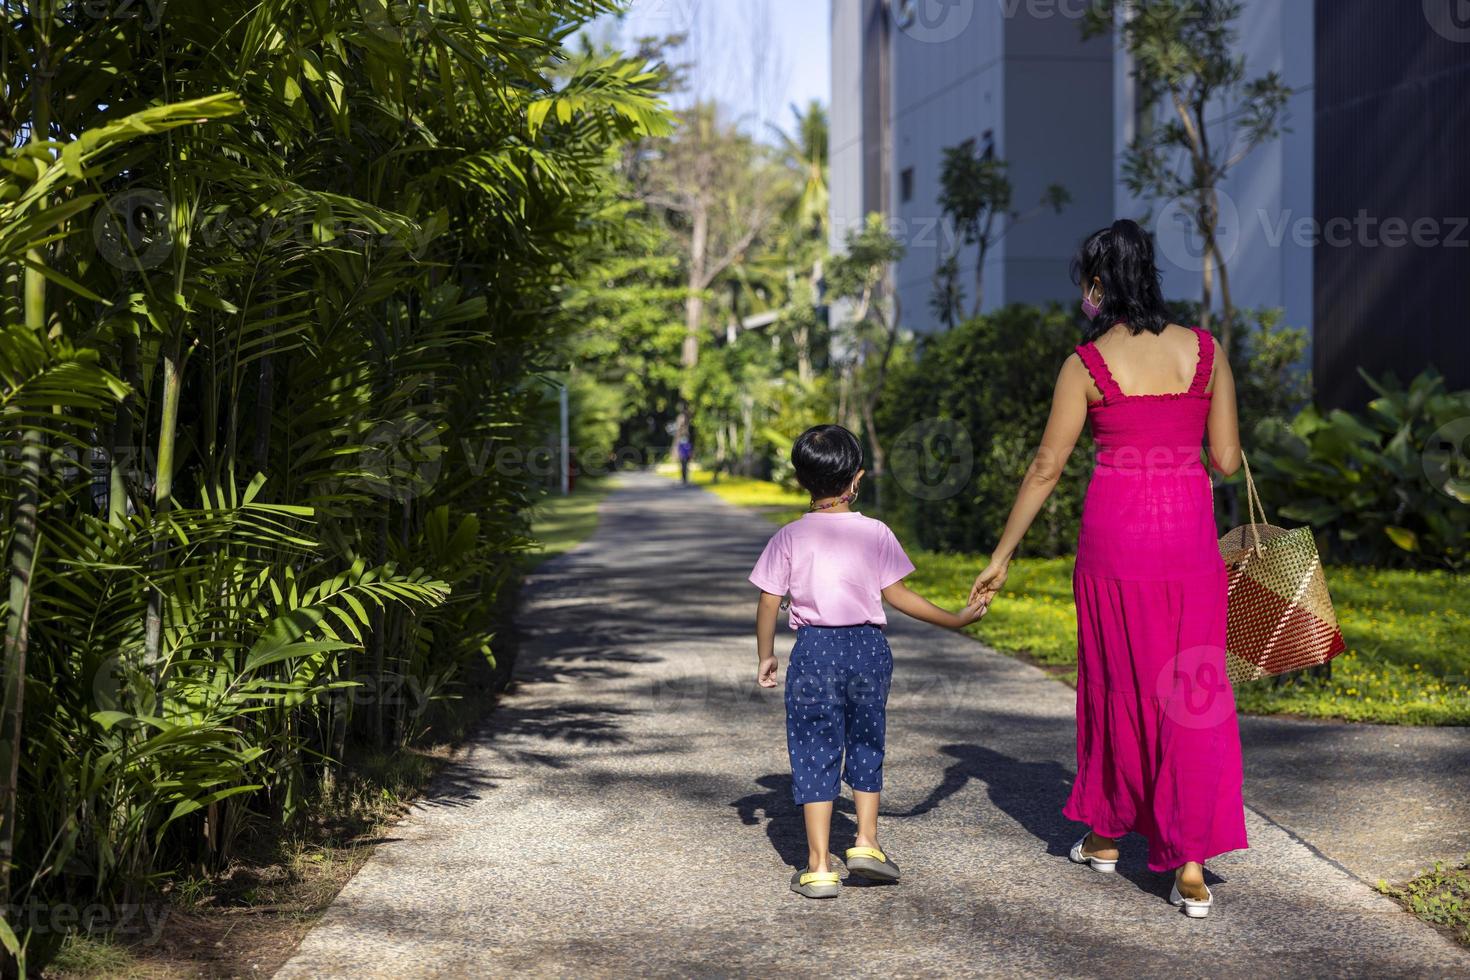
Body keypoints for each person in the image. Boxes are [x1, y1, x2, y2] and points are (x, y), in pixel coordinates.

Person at [969, 219, 1246, 918]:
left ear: (1098, 284)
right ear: (1149, 273)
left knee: (1119, 684)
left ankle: (1105, 837)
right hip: (1188, 544)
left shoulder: (1085, 364)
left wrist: (1001, 557)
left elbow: (1046, 468)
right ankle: (1189, 867)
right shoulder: (1206, 351)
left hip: (1116, 545)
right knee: (1191, 691)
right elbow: (1226, 462)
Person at [750, 424, 988, 899]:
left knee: (815, 748)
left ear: (801, 480)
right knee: (865, 738)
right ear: (856, 479)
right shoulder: (875, 532)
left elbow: (768, 601)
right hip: (867, 650)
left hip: (814, 650)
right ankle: (865, 843)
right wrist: (956, 619)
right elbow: (899, 595)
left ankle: (818, 866)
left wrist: (766, 655)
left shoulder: (789, 536)